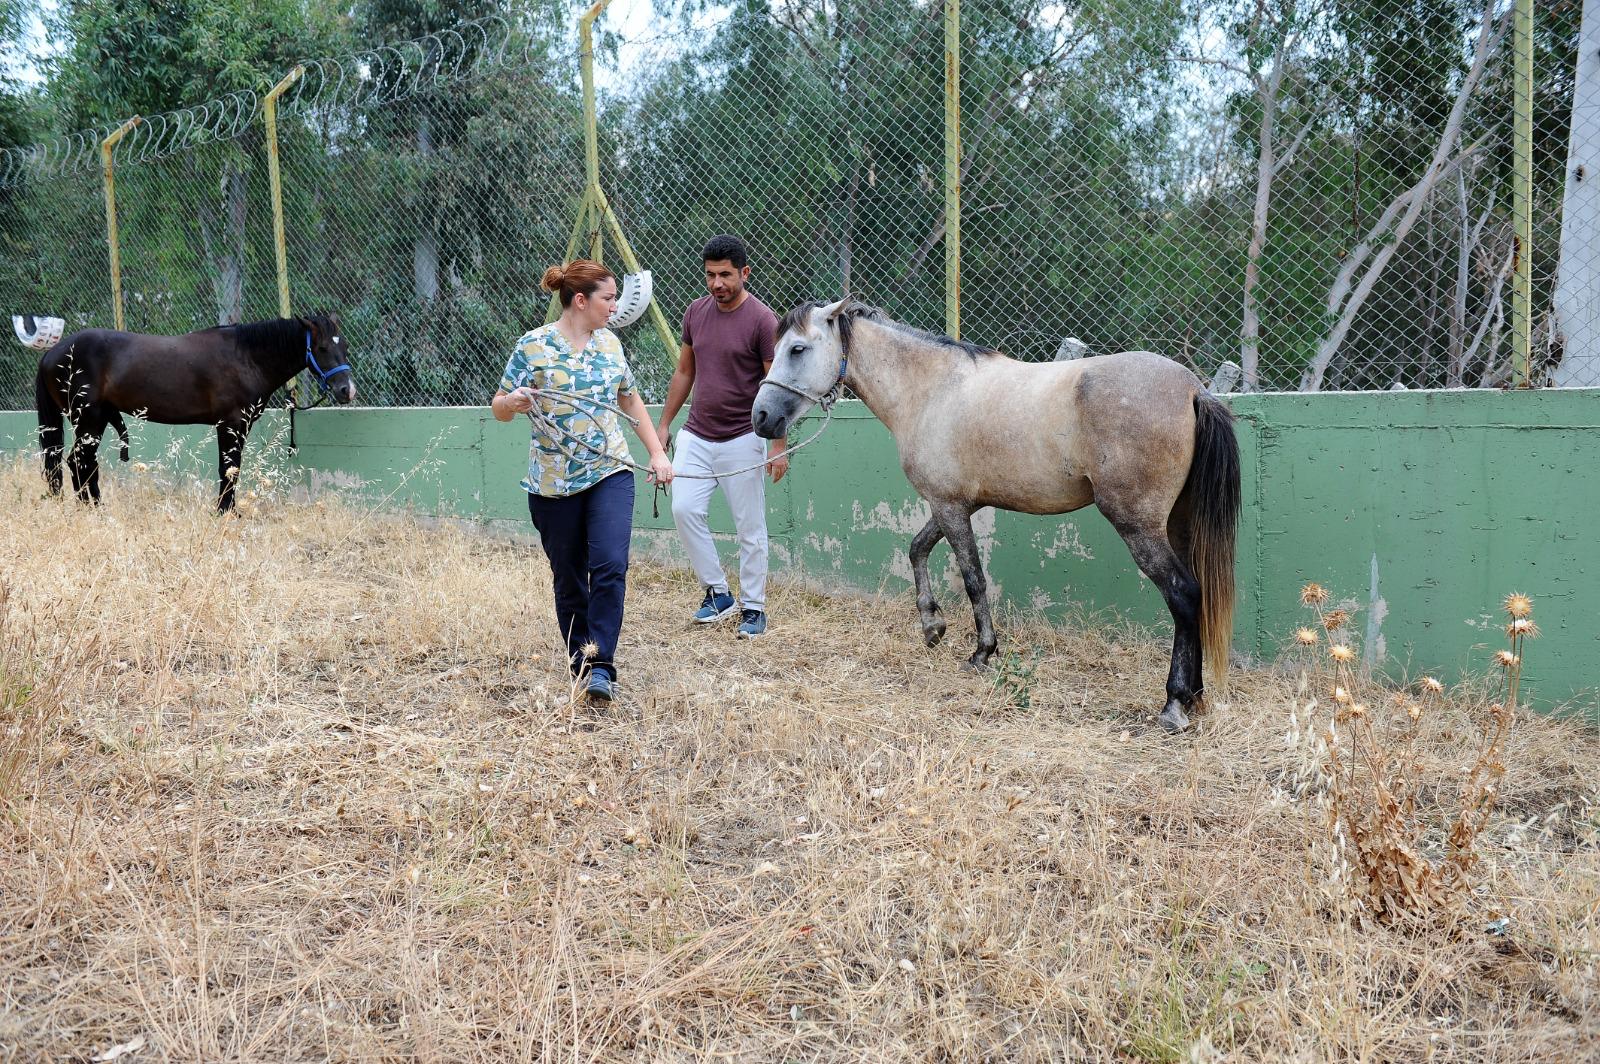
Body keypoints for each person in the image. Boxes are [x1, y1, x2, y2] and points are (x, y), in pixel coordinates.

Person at [491, 259, 673, 702]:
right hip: (552, 484)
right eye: (607, 299)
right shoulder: (532, 347)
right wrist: (512, 402)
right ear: (580, 300)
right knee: (569, 576)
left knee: (609, 564)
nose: (614, 307)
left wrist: (655, 452)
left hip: (610, 470)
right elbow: (498, 406)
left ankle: (602, 665)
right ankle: (582, 661)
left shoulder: (611, 346)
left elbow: (629, 402)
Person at [656, 235, 786, 638]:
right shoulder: (695, 312)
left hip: (742, 436)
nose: (717, 283)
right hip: (697, 433)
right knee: (683, 509)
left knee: (750, 527)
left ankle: (754, 608)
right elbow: (684, 372)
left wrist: (777, 446)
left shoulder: (764, 320)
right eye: (710, 275)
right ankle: (717, 593)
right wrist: (663, 425)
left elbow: (775, 384)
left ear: (744, 273)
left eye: (725, 275)